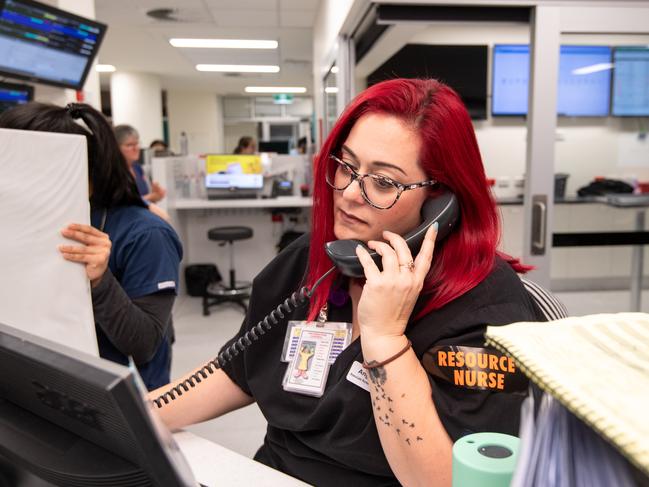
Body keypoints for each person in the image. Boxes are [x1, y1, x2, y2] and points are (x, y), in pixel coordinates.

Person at [149, 79, 546, 486]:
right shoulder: (317, 256)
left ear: (440, 203)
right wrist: (132, 413)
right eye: (347, 166)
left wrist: (386, 338)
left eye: (384, 183)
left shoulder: (486, 312)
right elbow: (239, 370)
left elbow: (442, 481)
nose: (351, 195)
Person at [0, 102, 183, 391]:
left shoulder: (145, 234)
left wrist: (100, 280)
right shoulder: (22, 218)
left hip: (114, 394)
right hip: (35, 377)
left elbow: (144, 343)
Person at [114, 124, 167, 203]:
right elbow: (121, 205)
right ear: (115, 147)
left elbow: (143, 199)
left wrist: (154, 196)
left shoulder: (137, 168)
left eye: (137, 144)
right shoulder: (113, 172)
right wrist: (151, 197)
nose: (136, 148)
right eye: (130, 145)